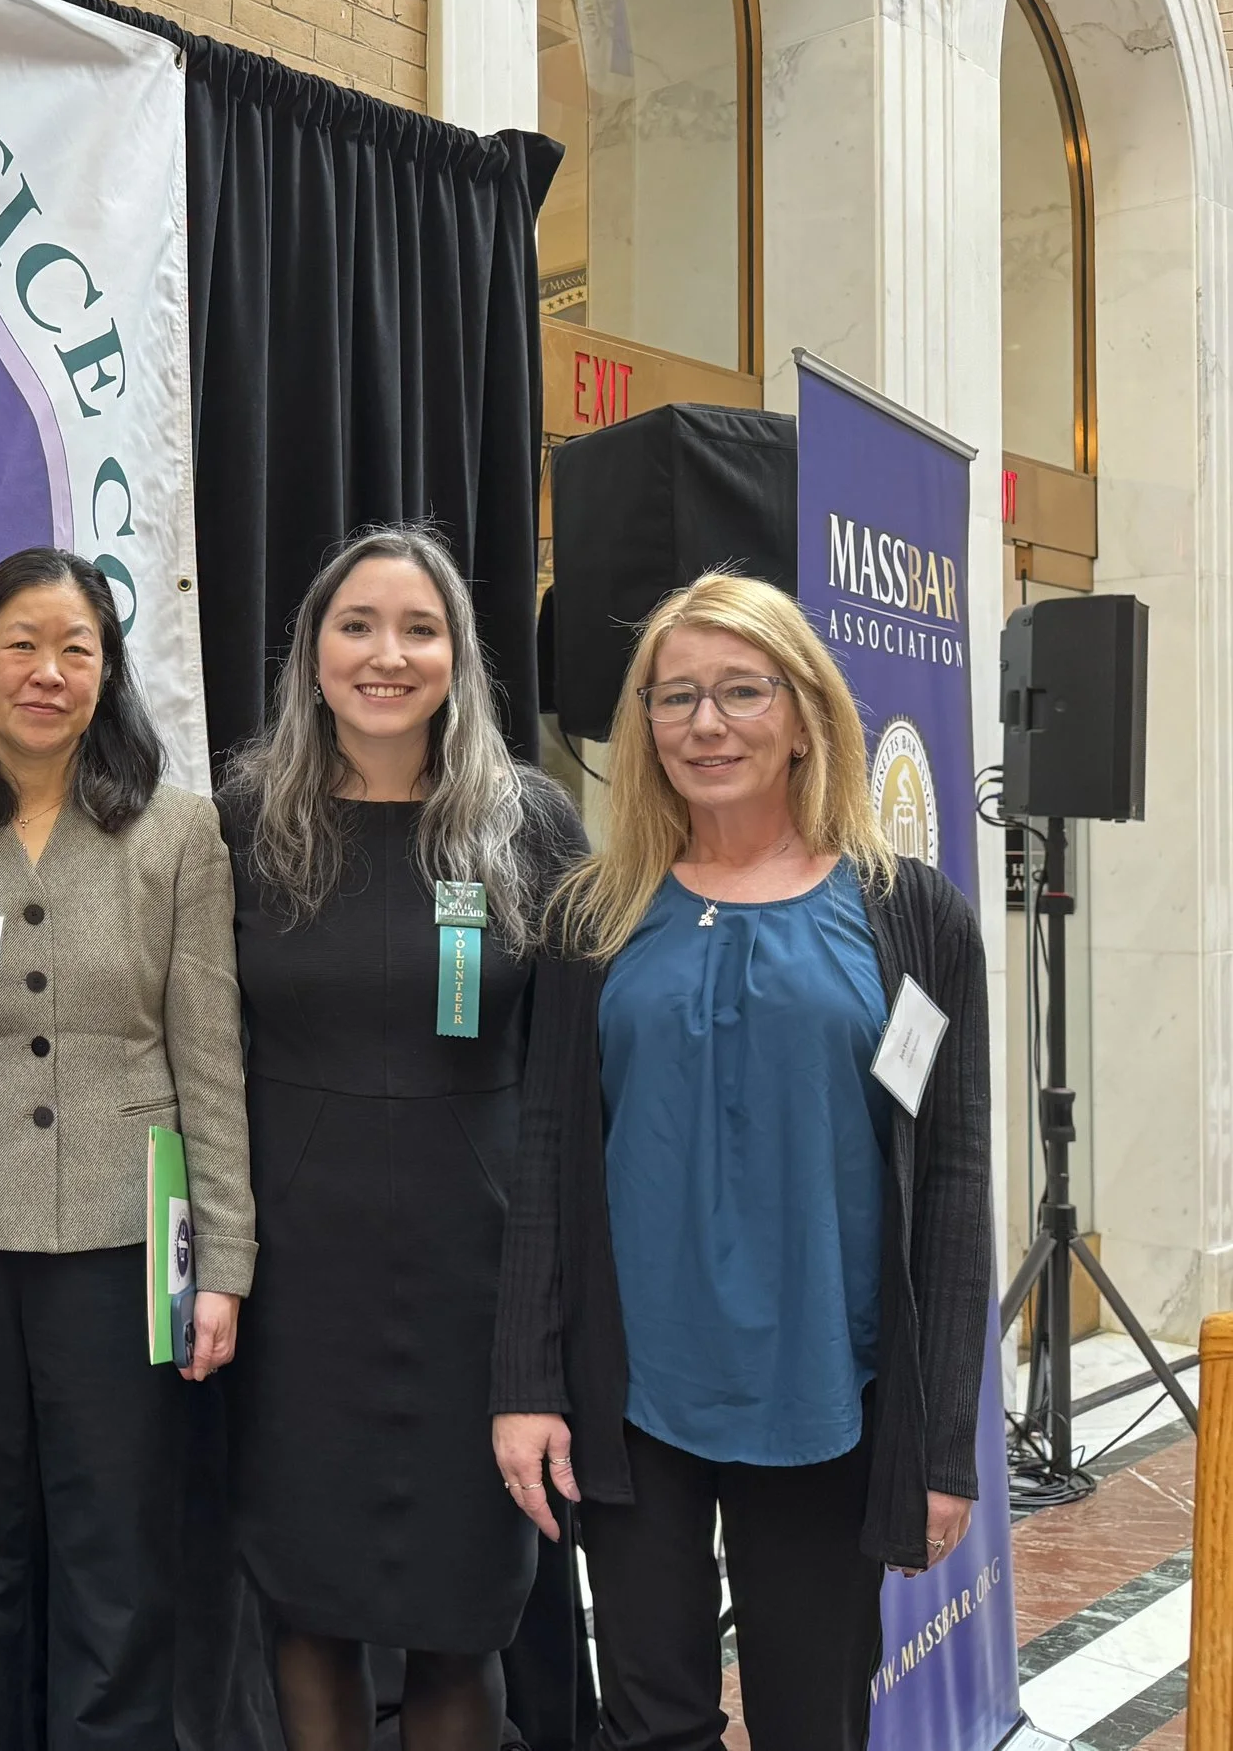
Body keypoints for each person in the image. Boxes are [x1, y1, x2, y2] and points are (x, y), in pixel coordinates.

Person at [491, 573, 993, 1751]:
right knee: (649, 1724)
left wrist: (939, 1442)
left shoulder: (910, 918)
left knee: (811, 1720)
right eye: (673, 698)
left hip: (827, 1393)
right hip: (634, 1395)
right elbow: (545, 1154)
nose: (704, 725)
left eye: (740, 692)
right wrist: (525, 1383)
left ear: (806, 714)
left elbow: (953, 1182)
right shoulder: (590, 919)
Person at [0, 546, 254, 1751]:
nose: (47, 672)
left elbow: (209, 1059)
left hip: (126, 1251)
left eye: (76, 648)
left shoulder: (176, 835)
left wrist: (223, 1265)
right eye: (20, 646)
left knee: (118, 1549)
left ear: (108, 672)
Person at [217, 526, 584, 1751]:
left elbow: (569, 1081)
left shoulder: (530, 824)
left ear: (458, 655)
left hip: (473, 1284)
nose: (387, 655)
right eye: (357, 626)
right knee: (307, 1610)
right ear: (311, 655)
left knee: (460, 1619)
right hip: (293, 1283)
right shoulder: (242, 822)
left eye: (419, 629)